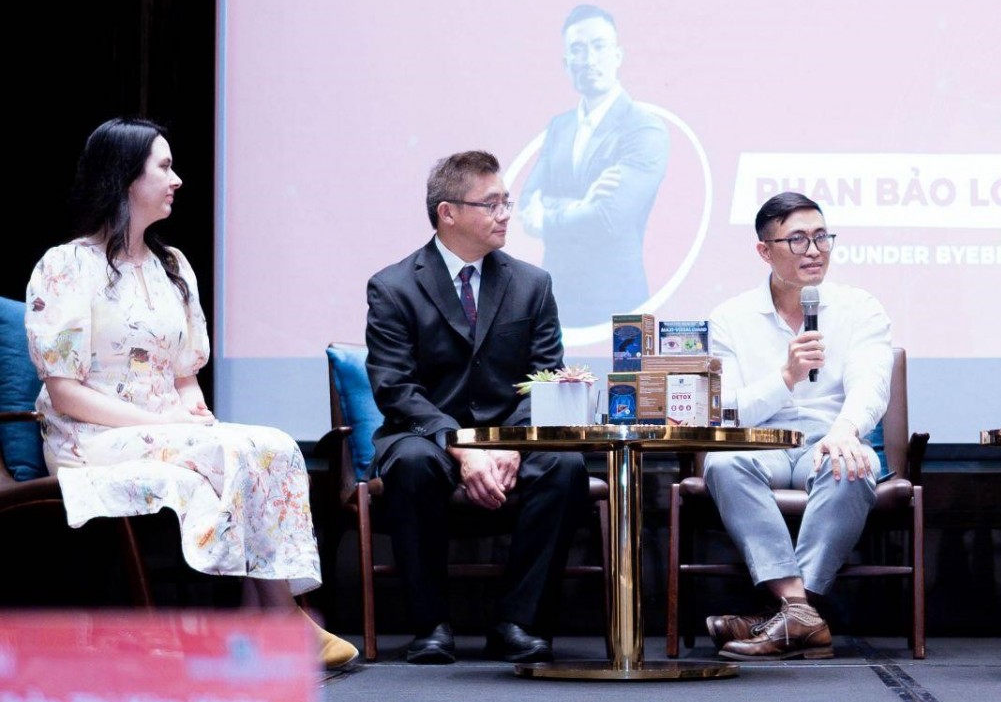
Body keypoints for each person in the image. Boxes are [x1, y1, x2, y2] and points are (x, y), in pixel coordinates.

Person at [24, 118, 355, 668]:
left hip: (166, 430)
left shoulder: (173, 266)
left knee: (272, 445)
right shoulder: (66, 265)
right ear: (126, 177)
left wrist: (193, 412)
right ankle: (278, 617)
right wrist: (167, 425)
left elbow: (183, 377)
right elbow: (65, 394)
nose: (177, 179)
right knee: (230, 451)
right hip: (89, 437)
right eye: (164, 167)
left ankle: (264, 611)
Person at [364, 150, 590, 664]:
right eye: (491, 204)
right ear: (448, 212)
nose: (505, 214)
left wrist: (511, 444)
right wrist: (463, 448)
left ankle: (518, 622)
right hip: (426, 436)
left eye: (507, 202)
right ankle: (430, 626)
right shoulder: (394, 287)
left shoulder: (532, 284)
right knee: (412, 465)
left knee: (565, 467)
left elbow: (546, 378)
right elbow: (396, 389)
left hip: (509, 437)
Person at [700, 192, 893, 661]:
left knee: (852, 463)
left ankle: (784, 615)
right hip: (760, 443)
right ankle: (800, 611)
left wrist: (846, 430)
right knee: (721, 464)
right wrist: (785, 378)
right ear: (764, 251)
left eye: (822, 237)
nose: (815, 250)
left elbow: (871, 384)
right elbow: (726, 413)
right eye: (798, 239)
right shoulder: (729, 318)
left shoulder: (859, 307)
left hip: (829, 438)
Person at [521, 4, 670, 328]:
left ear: (618, 55)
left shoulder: (643, 128)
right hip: (556, 303)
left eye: (599, 46)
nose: (589, 59)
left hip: (617, 304)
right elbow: (526, 204)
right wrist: (580, 206)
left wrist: (550, 214)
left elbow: (609, 216)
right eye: (578, 49)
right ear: (566, 63)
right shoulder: (559, 127)